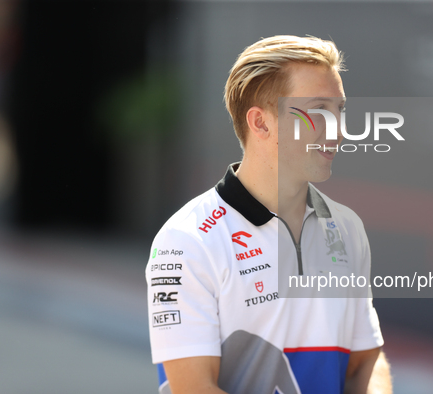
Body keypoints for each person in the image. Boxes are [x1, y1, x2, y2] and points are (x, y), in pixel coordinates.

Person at [145, 35, 391, 394]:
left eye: (340, 111)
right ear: (261, 123)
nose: (339, 130)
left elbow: (366, 362)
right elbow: (193, 388)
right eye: (319, 111)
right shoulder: (186, 240)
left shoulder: (347, 228)